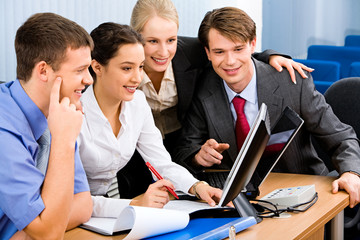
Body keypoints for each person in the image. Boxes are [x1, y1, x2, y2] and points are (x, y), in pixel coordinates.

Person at [119, 0, 313, 198]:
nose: (163, 51)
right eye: (152, 41)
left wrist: (271, 57)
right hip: (134, 152)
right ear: (136, 37)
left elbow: (234, 50)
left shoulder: (191, 51)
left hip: (179, 149)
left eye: (171, 40)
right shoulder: (120, 62)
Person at [173, 7, 360, 208]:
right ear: (208, 53)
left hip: (302, 195)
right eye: (219, 52)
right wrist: (198, 156)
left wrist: (351, 172)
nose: (230, 61)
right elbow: (184, 149)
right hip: (239, 202)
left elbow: (341, 137)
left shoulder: (292, 83)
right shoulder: (203, 88)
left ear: (253, 44)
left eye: (238, 49)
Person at [78, 22, 223, 214]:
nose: (138, 78)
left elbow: (161, 162)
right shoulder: (75, 113)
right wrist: (135, 205)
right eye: (127, 68)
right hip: (74, 212)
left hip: (107, 209)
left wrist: (197, 187)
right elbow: (71, 200)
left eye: (140, 67)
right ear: (97, 67)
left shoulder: (137, 102)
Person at [0, 13, 93, 239]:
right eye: (80, 70)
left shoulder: (58, 113)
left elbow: (83, 204)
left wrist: (28, 233)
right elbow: (49, 234)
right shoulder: (4, 129)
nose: (89, 79)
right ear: (43, 71)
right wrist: (62, 140)